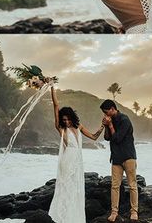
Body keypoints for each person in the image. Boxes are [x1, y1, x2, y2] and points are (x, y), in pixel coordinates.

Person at [49, 86, 104, 223]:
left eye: (68, 119)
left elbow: (93, 137)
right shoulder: (61, 129)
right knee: (66, 188)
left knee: (75, 189)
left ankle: (73, 217)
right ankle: (62, 217)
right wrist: (51, 87)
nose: (66, 122)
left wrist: (103, 126)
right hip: (67, 160)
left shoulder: (78, 127)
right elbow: (56, 105)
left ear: (72, 118)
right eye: (64, 120)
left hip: (78, 161)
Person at [100, 99, 138, 222]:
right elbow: (107, 138)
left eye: (107, 112)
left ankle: (134, 211)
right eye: (104, 113)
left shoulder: (124, 120)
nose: (106, 115)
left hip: (128, 156)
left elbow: (117, 139)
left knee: (132, 185)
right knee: (115, 186)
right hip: (116, 157)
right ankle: (114, 212)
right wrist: (106, 126)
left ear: (112, 109)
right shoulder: (110, 120)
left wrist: (110, 125)